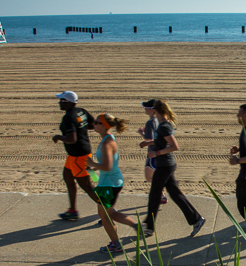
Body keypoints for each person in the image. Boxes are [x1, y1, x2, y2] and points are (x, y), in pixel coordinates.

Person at [143, 100, 206, 237]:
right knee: (175, 194)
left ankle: (148, 227)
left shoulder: (163, 126)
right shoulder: (164, 124)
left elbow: (174, 146)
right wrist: (149, 142)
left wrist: (156, 153)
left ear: (155, 111)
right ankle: (196, 219)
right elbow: (162, 141)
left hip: (165, 165)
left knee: (154, 195)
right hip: (166, 164)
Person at [87, 114, 138, 253]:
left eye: (97, 122)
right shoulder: (107, 138)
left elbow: (108, 166)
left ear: (104, 125)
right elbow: (108, 164)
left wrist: (92, 163)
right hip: (110, 182)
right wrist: (94, 167)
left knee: (104, 217)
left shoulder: (107, 142)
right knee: (108, 213)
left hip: (108, 184)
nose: (94, 124)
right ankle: (137, 226)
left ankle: (116, 244)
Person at [52, 90, 99, 220]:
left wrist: (59, 137)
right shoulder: (81, 111)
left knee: (88, 186)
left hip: (79, 157)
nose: (59, 102)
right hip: (79, 154)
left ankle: (109, 211)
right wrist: (81, 128)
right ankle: (72, 210)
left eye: (62, 100)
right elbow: (93, 124)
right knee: (67, 177)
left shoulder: (68, 117)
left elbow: (72, 139)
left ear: (68, 103)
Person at [137, 99, 167, 205]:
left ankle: (160, 195)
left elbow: (148, 140)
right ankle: (161, 195)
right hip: (161, 152)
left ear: (152, 110)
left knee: (149, 178)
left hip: (153, 154)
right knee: (155, 176)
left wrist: (141, 133)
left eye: (146, 107)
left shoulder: (150, 122)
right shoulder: (159, 120)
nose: (145, 109)